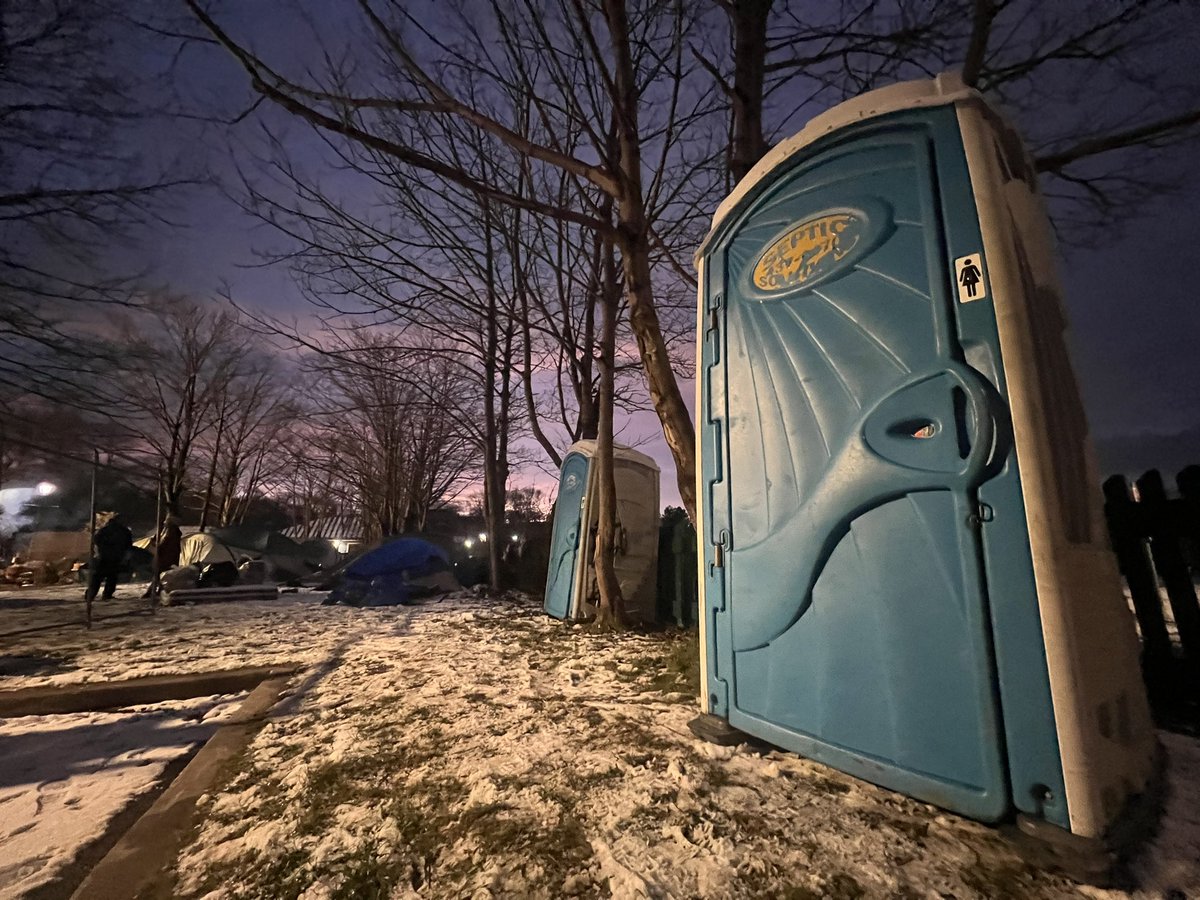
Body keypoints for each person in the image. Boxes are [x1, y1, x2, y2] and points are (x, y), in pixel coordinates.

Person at [86, 512, 133, 602]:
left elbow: (96, 539)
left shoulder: (106, 529)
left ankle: (92, 595)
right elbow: (128, 545)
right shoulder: (123, 531)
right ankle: (105, 594)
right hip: (114, 556)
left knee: (99, 577)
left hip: (106, 556)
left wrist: (101, 548)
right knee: (110, 577)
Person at [145, 516, 183, 599]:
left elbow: (164, 544)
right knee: (160, 575)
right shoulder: (170, 532)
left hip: (166, 558)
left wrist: (155, 544)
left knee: (159, 575)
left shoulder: (170, 532)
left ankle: (153, 591)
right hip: (168, 558)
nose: (164, 523)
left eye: (166, 522)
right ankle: (156, 590)